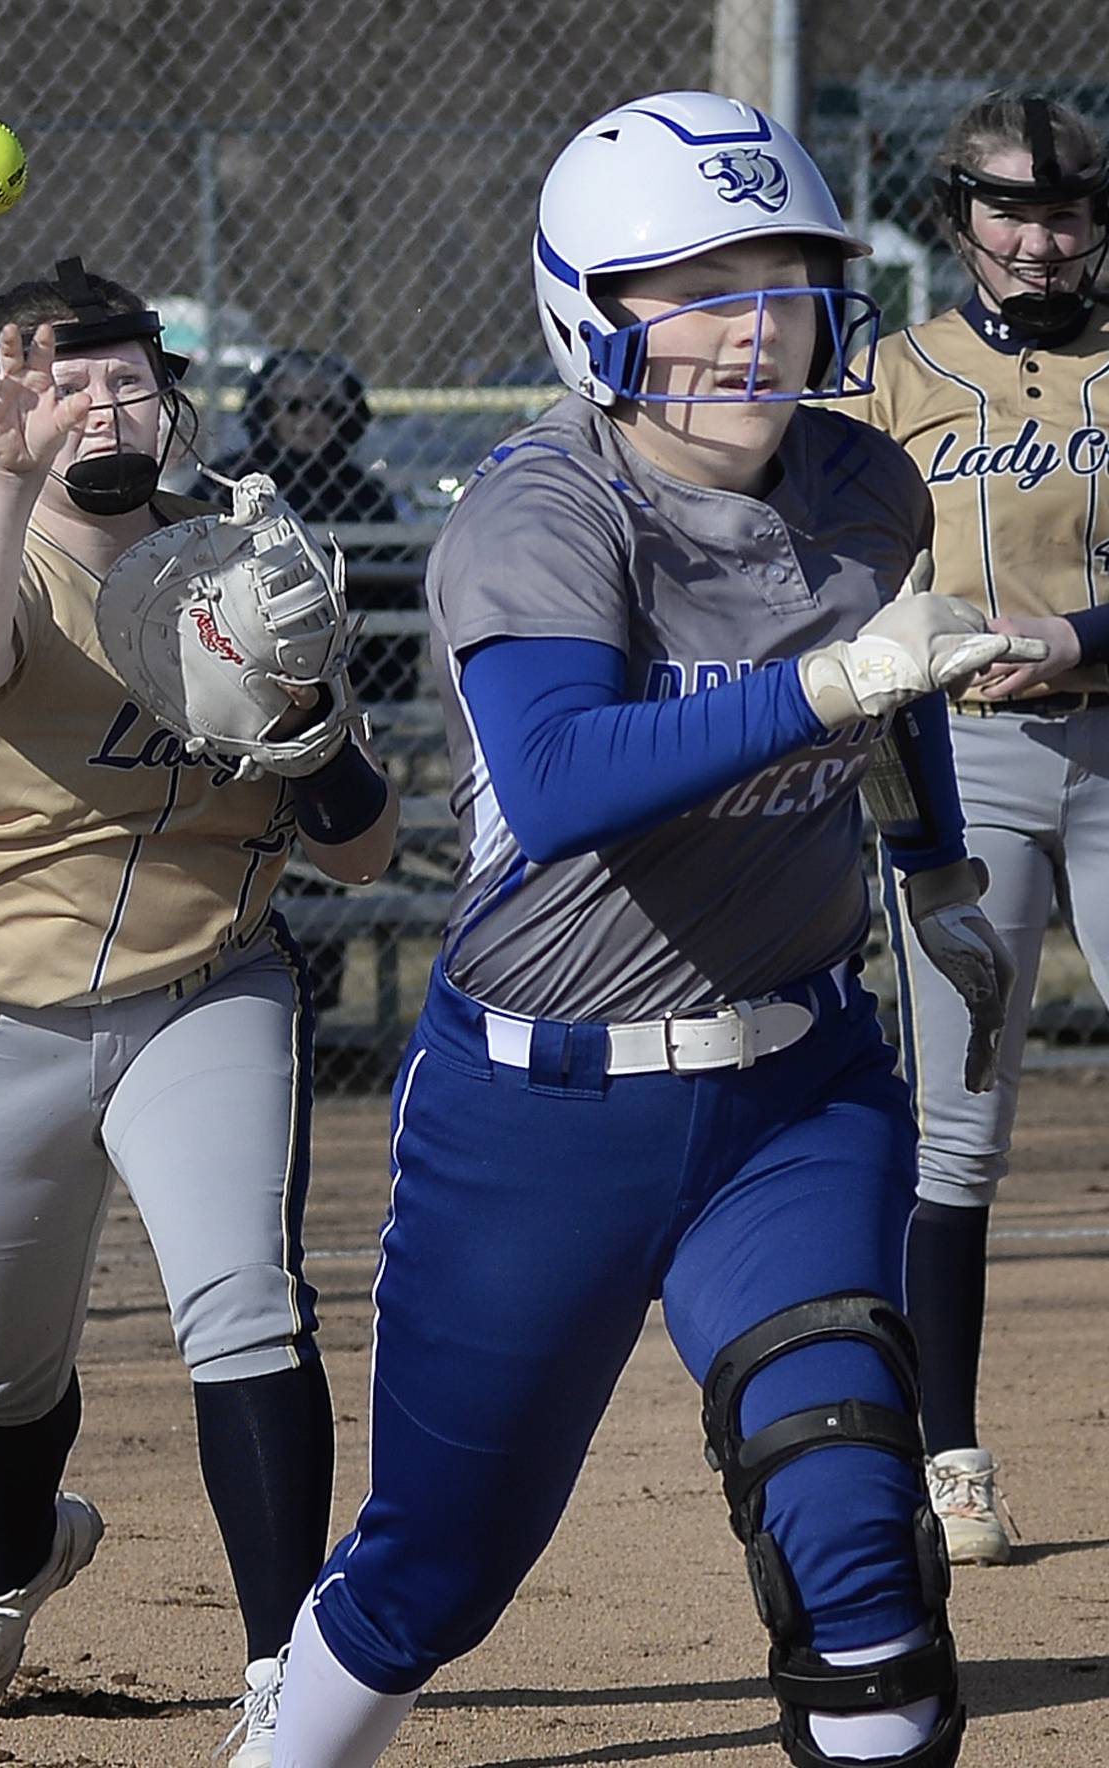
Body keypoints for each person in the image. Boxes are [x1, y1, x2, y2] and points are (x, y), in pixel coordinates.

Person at [266, 93, 1048, 1768]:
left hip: (796, 1090)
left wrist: (937, 876)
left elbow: (894, 689)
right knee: (433, 1574)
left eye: (779, 275)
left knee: (856, 1536)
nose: (750, 324)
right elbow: (555, 776)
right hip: (542, 1110)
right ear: (590, 310)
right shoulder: (545, 510)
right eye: (694, 284)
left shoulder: (864, 487)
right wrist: (828, 682)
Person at [0, 258, 397, 1768]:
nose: (110, 399)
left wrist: (301, 721)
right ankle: (17, 1558)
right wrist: (7, 481)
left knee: (247, 1313)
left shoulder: (240, 565)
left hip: (201, 990)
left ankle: (289, 1672)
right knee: (0, 1377)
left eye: (130, 372)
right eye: (65, 374)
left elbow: (362, 852)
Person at [849, 88, 1109, 1568]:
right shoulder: (893, 377)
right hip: (965, 763)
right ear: (959, 220)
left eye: (1065, 210)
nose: (1039, 235)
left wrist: (1079, 635)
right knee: (960, 1125)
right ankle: (949, 1456)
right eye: (1010, 208)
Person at [196, 353, 412, 1013]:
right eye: (292, 406)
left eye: (327, 406)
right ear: (265, 413)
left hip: (342, 701)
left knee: (330, 823)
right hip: (240, 706)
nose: (311, 420)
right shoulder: (231, 486)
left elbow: (392, 626)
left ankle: (312, 1001)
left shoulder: (368, 494)